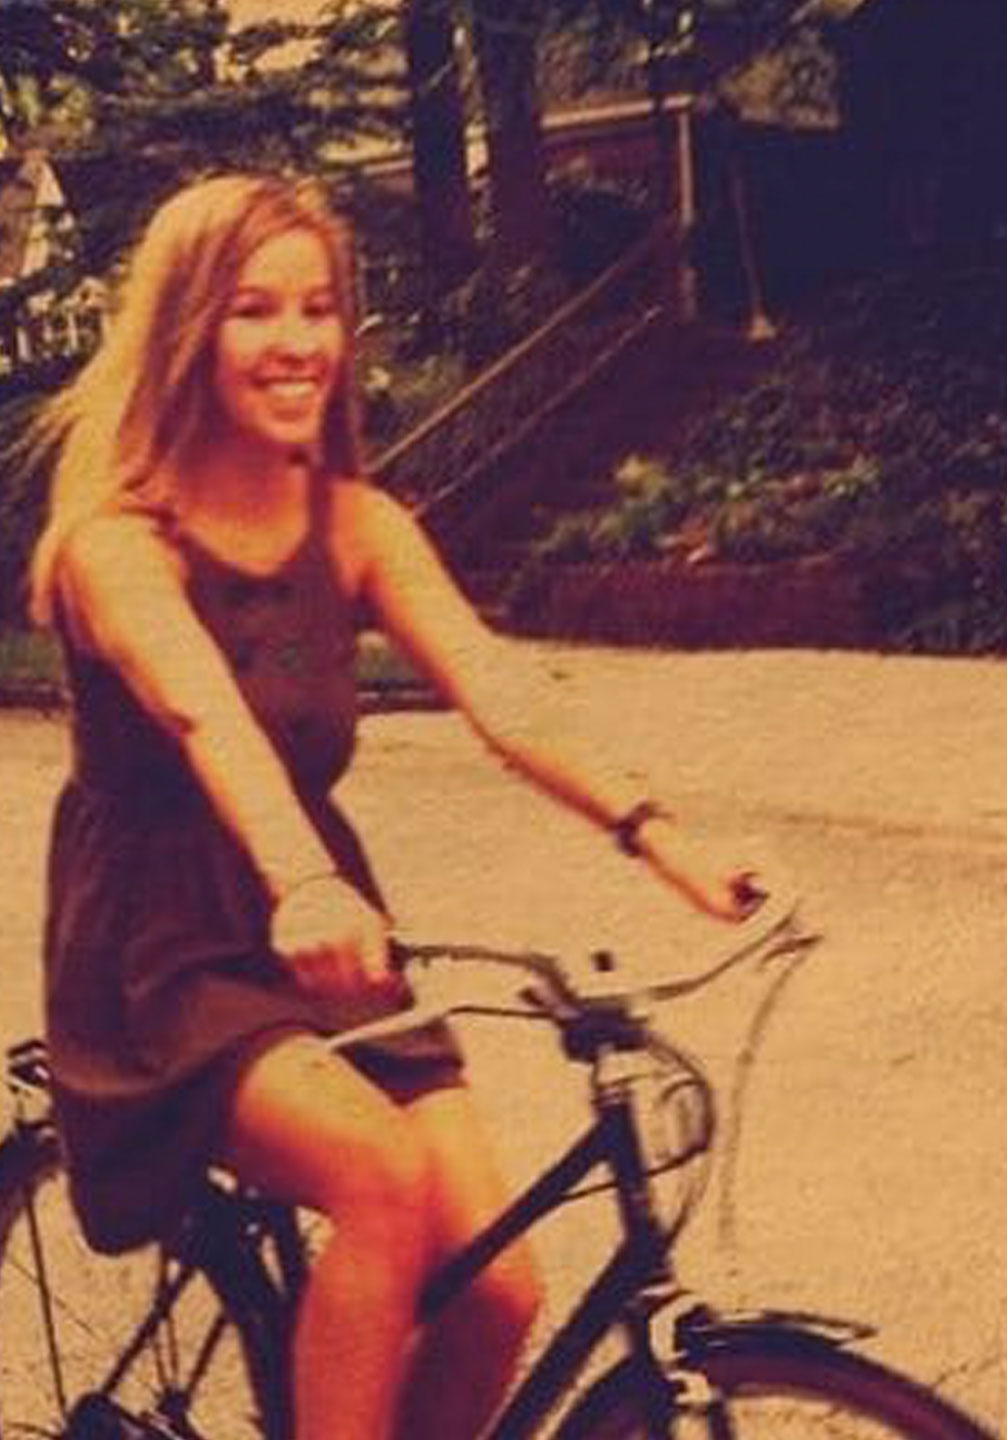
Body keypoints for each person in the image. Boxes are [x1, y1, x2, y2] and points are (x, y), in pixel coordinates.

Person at [24, 173, 754, 1440]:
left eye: (320, 307)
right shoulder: (117, 546)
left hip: (324, 929)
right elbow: (208, 712)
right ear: (191, 331)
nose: (299, 340)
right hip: (160, 946)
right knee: (378, 1177)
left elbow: (502, 688)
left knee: (498, 1286)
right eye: (257, 309)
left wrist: (666, 839)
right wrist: (301, 876)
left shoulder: (357, 525)